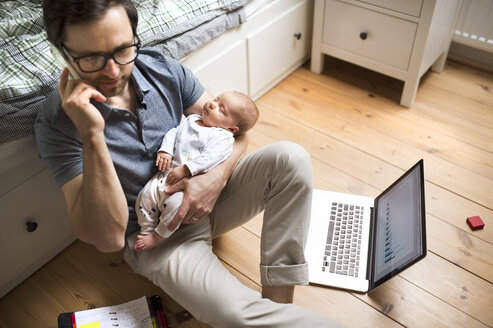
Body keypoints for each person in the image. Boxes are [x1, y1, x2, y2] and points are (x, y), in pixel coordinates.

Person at [36, 0, 343, 327]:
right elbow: (107, 238)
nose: (113, 71)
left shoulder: (161, 68)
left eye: (123, 49)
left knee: (291, 158)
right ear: (63, 53)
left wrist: (215, 180)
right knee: (233, 314)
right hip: (156, 234)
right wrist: (92, 134)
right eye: (92, 58)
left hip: (209, 199)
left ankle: (278, 302)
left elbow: (235, 134)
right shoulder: (55, 123)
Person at [135, 91, 259, 251]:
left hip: (186, 185)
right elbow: (174, 133)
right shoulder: (193, 119)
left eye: (221, 110)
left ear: (232, 129)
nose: (213, 104)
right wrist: (166, 150)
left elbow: (210, 158)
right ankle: (146, 228)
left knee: (176, 208)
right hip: (165, 176)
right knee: (145, 196)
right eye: (216, 99)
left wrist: (186, 170)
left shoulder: (222, 138)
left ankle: (159, 236)